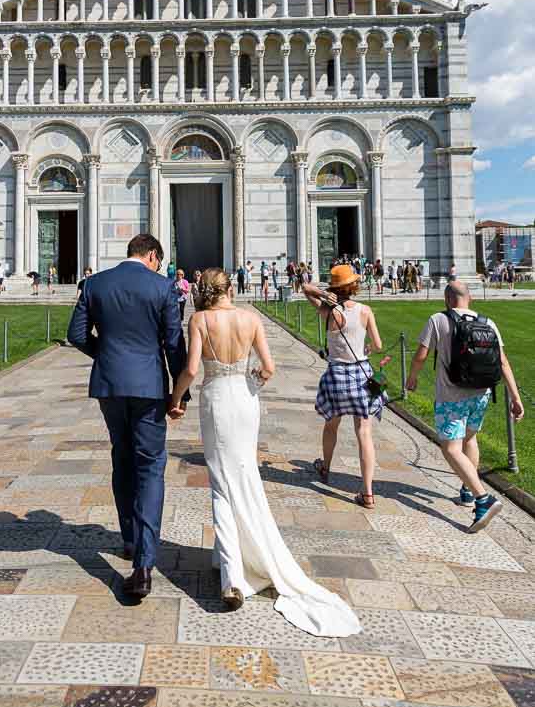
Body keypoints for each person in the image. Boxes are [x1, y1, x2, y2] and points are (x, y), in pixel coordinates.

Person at [168, 268, 360, 637]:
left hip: (217, 399)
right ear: (230, 289)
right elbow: (269, 368)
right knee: (244, 474)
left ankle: (232, 577)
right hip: (244, 399)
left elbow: (192, 368)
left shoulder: (200, 319)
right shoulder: (250, 318)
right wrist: (250, 383)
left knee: (222, 483)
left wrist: (175, 400)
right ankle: (239, 556)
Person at [67, 233, 187, 599]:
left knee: (122, 459)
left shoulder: (95, 284)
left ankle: (131, 540)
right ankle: (145, 564)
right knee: (150, 467)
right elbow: (173, 344)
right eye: (158, 261)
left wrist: (107, 357)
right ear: (152, 255)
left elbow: (75, 334)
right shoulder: (164, 288)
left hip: (110, 386)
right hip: (149, 388)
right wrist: (180, 392)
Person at [406, 281, 524, 531]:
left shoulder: (438, 319)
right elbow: (503, 363)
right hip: (481, 393)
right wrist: (515, 397)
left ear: (447, 299)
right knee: (469, 440)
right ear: (469, 298)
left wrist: (413, 377)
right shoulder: (488, 322)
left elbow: (421, 354)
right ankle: (467, 492)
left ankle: (483, 498)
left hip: (452, 395)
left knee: (450, 448)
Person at [303, 264, 384, 509]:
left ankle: (326, 467)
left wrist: (323, 295)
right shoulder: (365, 310)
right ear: (354, 286)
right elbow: (378, 345)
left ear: (336, 288)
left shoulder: (328, 311)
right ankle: (367, 493)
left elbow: (305, 288)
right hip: (361, 374)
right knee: (364, 433)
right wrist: (366, 348)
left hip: (337, 374)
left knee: (331, 426)